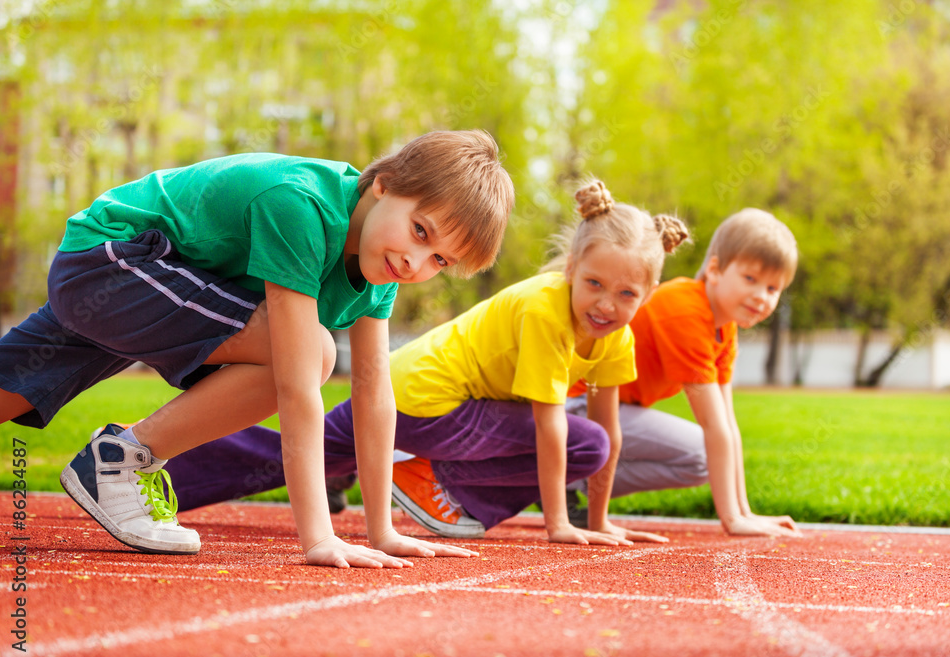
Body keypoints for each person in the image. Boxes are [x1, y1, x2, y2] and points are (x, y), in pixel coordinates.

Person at [0, 130, 515, 567]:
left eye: (439, 260)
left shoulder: (381, 266)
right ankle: (120, 459)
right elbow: (295, 383)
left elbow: (374, 392)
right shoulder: (301, 206)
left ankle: (118, 459)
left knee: (11, 387)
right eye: (420, 231)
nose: (415, 262)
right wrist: (318, 537)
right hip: (113, 262)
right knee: (313, 354)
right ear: (383, 186)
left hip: (139, 283)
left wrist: (381, 531)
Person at [162, 179, 688, 547]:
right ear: (573, 267)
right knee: (583, 443)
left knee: (297, 450)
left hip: (406, 389)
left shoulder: (615, 333)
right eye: (594, 283)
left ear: (649, 293)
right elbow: (554, 429)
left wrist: (601, 520)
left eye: (625, 294)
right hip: (430, 401)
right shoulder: (545, 310)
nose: (605, 304)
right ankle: (434, 486)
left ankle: (155, 484)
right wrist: (559, 525)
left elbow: (613, 429)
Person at [564, 208, 803, 538]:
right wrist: (732, 520)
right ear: (716, 270)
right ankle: (554, 471)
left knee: (701, 460)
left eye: (773, 289)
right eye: (750, 279)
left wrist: (747, 512)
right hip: (578, 407)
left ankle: (569, 480)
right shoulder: (685, 311)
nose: (761, 296)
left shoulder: (724, 327)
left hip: (615, 411)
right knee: (702, 450)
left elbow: (729, 423)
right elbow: (713, 425)